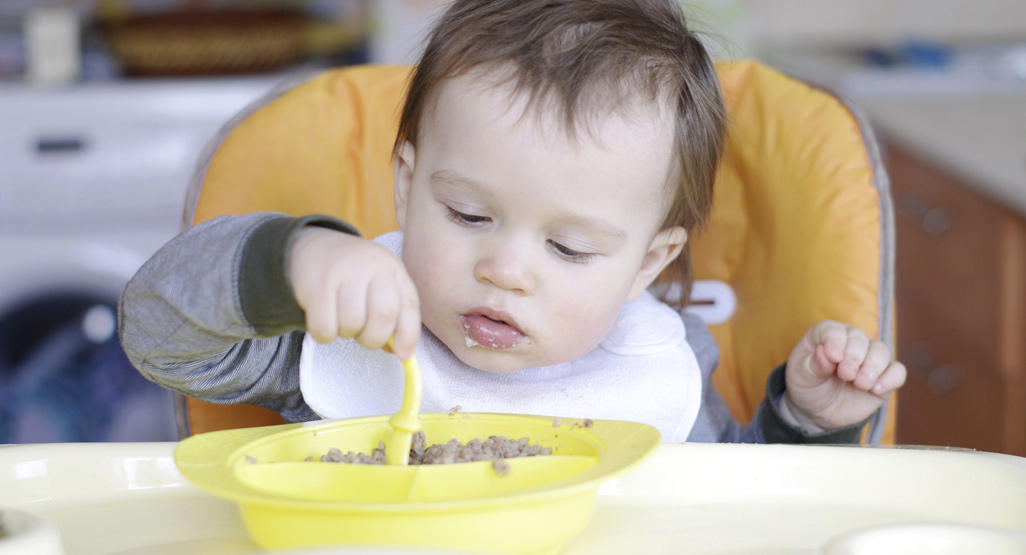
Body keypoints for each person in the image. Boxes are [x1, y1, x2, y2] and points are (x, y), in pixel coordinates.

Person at [118, 0, 905, 444]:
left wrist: (804, 420)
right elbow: (155, 328)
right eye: (467, 214)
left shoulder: (660, 364)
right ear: (406, 184)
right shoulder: (351, 335)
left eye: (569, 246)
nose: (505, 267)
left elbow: (743, 507)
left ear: (646, 263)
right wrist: (293, 261)